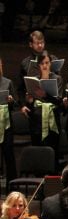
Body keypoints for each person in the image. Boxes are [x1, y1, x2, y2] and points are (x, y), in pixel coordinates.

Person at [21, 50, 64, 165]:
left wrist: (45, 95)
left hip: (52, 120)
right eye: (42, 63)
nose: (45, 65)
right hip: (36, 121)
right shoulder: (34, 79)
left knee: (52, 151)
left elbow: (59, 101)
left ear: (50, 63)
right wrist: (29, 101)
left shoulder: (57, 79)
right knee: (38, 152)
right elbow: (30, 101)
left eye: (47, 63)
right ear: (39, 65)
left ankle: (52, 180)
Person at [1, 57, 18, 186]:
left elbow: (16, 104)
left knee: (8, 153)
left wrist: (11, 101)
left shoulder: (8, 82)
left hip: (6, 125)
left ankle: (12, 185)